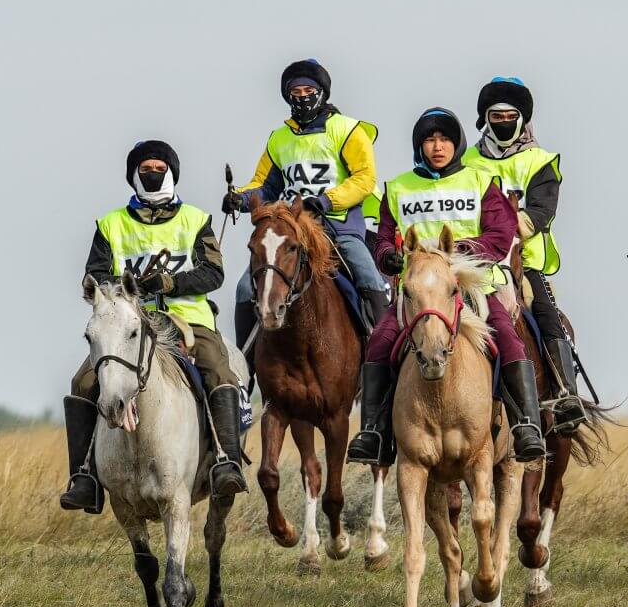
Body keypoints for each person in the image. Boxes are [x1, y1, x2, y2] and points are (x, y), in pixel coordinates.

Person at [346, 107, 547, 465]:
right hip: (418, 293)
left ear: (457, 144)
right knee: (379, 341)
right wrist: (388, 256)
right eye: (429, 139)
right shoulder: (399, 187)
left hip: (467, 287)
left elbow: (502, 233)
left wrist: (461, 254)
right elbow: (385, 239)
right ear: (419, 145)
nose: (437, 146)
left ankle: (526, 424)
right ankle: (373, 432)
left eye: (445, 140)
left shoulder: (479, 182)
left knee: (507, 335)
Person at [60, 140, 247, 514]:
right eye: (145, 168)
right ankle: (85, 476)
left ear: (172, 172)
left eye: (159, 167)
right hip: (129, 320)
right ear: (134, 175)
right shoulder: (110, 224)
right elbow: (94, 275)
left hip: (186, 318)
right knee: (82, 382)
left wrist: (171, 283)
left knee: (218, 370)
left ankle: (226, 460)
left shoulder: (195, 219)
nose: (152, 173)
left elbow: (214, 272)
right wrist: (128, 285)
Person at [223, 59, 389, 381]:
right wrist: (240, 199)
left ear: (322, 93)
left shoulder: (348, 130)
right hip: (292, 229)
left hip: (337, 225)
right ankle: (245, 369)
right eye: (295, 92)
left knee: (368, 275)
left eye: (308, 91)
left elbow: (365, 178)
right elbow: (265, 184)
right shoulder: (279, 139)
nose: (302, 97)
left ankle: (381, 357)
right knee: (246, 286)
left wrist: (326, 200)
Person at [462, 77, 585, 433]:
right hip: (476, 261)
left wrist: (502, 227)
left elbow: (542, 211)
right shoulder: (466, 161)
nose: (501, 122)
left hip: (523, 262)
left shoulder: (541, 161)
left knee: (546, 314)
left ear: (522, 118)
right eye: (494, 116)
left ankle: (565, 394)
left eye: (508, 115)